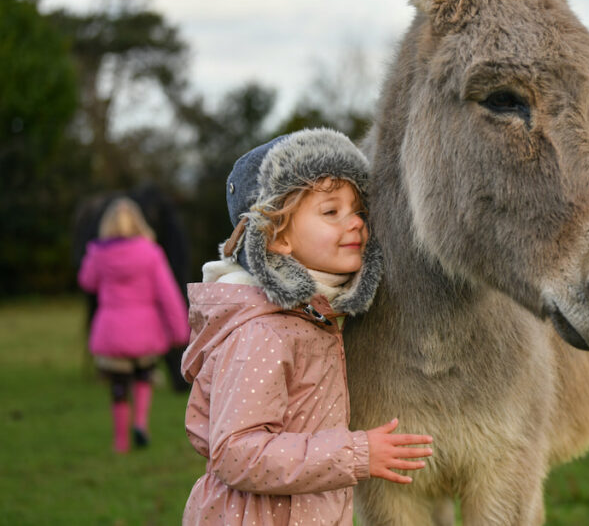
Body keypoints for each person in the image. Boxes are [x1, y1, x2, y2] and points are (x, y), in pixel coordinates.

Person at [181, 128, 432, 525]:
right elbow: (235, 453)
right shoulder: (261, 334)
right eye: (331, 211)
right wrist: (357, 453)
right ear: (276, 237)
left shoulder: (317, 318)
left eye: (359, 210)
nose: (356, 224)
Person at [77, 197, 191, 453]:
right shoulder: (151, 253)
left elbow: (87, 282)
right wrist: (179, 330)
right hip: (145, 329)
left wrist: (92, 256)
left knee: (118, 385)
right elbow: (167, 293)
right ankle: (140, 423)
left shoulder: (98, 253)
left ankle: (120, 441)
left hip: (112, 330)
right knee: (144, 376)